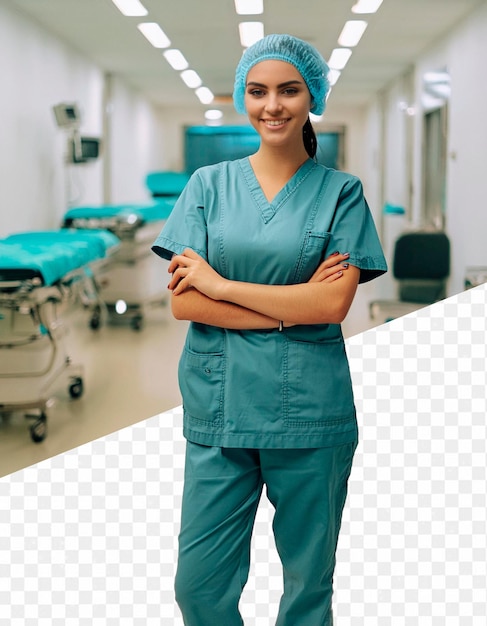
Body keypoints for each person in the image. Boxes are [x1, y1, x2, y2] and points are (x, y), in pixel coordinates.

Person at [152, 33, 387, 626]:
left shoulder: (341, 193)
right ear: (242, 97)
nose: (272, 105)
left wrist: (222, 286)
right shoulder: (208, 185)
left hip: (310, 412)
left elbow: (334, 304)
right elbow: (184, 306)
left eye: (289, 90)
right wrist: (294, 302)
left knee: (308, 592)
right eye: (258, 91)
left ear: (313, 98)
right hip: (219, 407)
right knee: (198, 590)